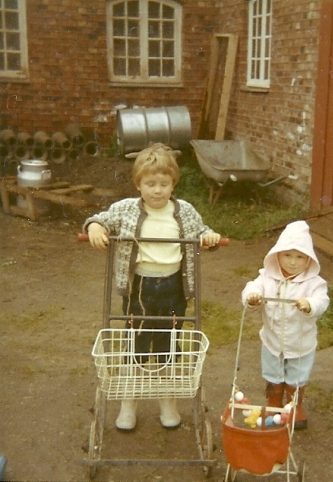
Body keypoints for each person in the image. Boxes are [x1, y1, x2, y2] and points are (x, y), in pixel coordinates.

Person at [83, 143, 221, 431]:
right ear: (138, 184)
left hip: (174, 287)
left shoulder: (184, 211)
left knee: (168, 344)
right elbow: (99, 219)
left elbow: (203, 231)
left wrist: (210, 237)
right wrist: (94, 228)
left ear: (173, 184)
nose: (157, 191)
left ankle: (167, 401)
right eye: (150, 184)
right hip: (140, 287)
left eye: (164, 184)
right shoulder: (126, 210)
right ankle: (128, 403)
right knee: (136, 343)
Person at [241, 220, 329, 429]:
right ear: (277, 255)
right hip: (272, 340)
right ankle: (273, 401)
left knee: (297, 375)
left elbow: (322, 300)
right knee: (273, 371)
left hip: (300, 343)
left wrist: (310, 304)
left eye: (300, 257)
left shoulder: (314, 283)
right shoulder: (267, 277)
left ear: (309, 259)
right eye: (287, 255)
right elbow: (252, 287)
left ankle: (294, 405)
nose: (293, 262)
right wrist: (252, 297)